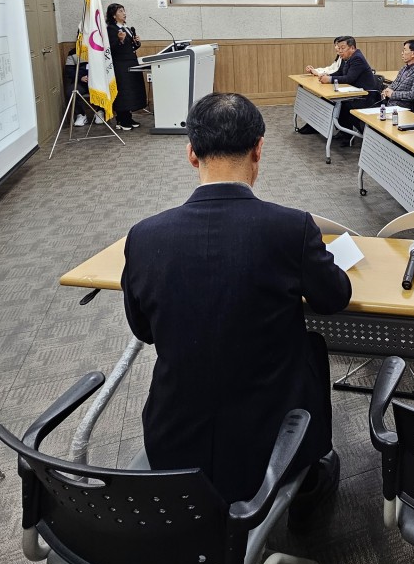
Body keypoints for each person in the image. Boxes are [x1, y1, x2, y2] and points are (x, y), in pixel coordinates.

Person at [121, 93, 350, 516]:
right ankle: (309, 492)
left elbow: (144, 331)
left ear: (191, 153)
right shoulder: (291, 228)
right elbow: (335, 298)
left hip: (174, 441)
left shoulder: (144, 236)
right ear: (259, 148)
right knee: (310, 348)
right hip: (271, 441)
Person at [321, 35, 380, 130]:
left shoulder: (357, 58)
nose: (340, 51)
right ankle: (342, 132)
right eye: (339, 48)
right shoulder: (348, 58)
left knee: (342, 104)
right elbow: (340, 73)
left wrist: (330, 79)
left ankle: (347, 134)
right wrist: (327, 76)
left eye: (343, 48)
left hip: (365, 97)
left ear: (352, 48)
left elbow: (349, 78)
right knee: (329, 100)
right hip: (355, 93)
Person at [107, 3, 147, 130]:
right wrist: (120, 40)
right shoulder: (111, 29)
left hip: (131, 63)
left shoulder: (127, 28)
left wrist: (136, 43)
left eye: (124, 10)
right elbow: (111, 49)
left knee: (131, 91)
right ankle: (121, 120)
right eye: (120, 11)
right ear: (113, 15)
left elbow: (130, 47)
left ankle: (128, 118)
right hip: (120, 65)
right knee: (123, 91)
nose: (124, 13)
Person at [382, 39, 414, 110]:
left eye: (405, 50)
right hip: (391, 105)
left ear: (413, 54)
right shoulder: (404, 68)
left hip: (405, 108)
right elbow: (395, 83)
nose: (402, 53)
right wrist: (387, 90)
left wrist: (393, 94)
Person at [63, 45, 97, 126]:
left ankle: (100, 111)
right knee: (71, 92)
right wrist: (80, 77)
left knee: (105, 89)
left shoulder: (98, 49)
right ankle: (81, 115)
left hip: (97, 81)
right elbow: (69, 70)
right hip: (81, 82)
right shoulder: (73, 52)